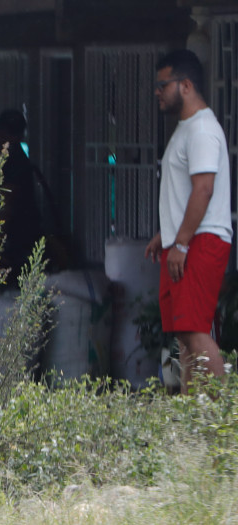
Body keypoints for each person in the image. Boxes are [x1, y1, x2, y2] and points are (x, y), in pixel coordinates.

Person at [142, 49, 232, 394]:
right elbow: (185, 194)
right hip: (184, 239)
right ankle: (191, 412)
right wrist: (165, 234)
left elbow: (204, 190)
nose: (157, 92)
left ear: (186, 85)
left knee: (195, 331)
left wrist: (180, 242)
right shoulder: (187, 129)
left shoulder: (203, 130)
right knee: (183, 333)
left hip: (200, 241)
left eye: (162, 84)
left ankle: (225, 412)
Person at [0, 109, 43, 286]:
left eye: (12, 142)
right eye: (4, 139)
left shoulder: (17, 165)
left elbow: (6, 209)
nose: (7, 146)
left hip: (16, 239)